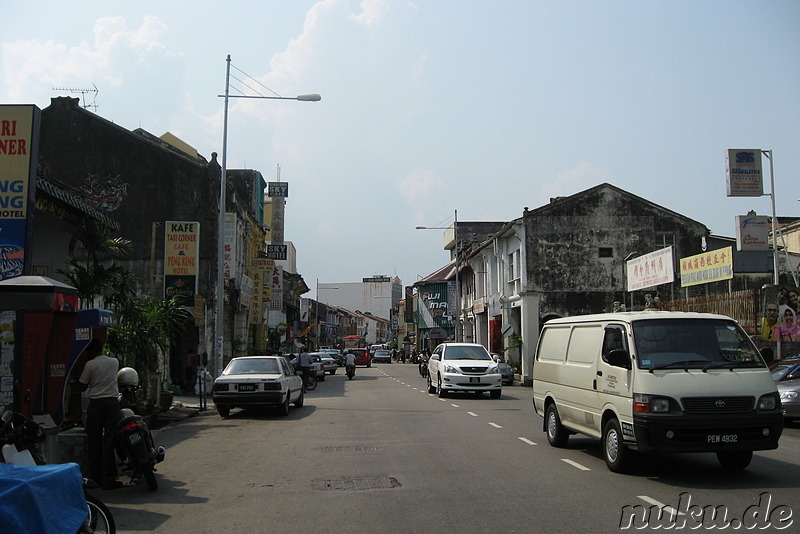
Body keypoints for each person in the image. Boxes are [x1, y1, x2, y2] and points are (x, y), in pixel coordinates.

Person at [75, 338, 122, 490]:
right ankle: (109, 477)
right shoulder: (114, 362)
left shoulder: (90, 364)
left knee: (94, 440)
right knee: (110, 440)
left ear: (90, 351)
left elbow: (82, 385)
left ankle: (95, 477)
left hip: (96, 404)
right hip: (112, 403)